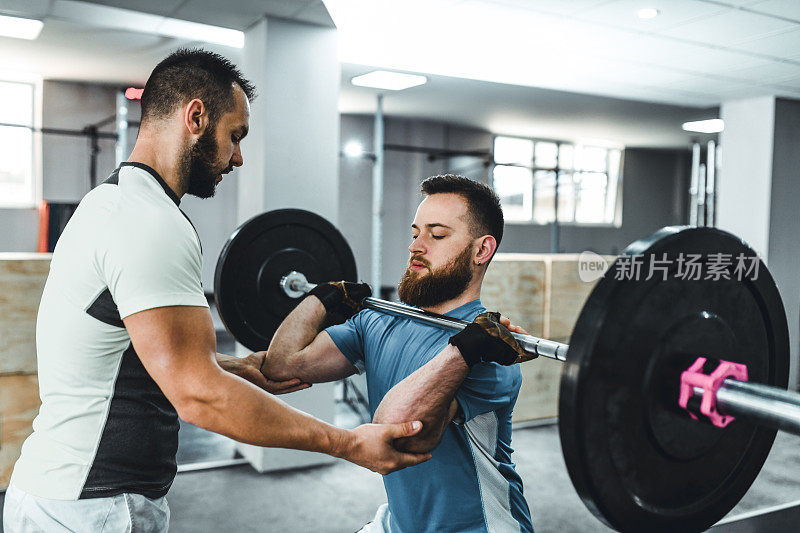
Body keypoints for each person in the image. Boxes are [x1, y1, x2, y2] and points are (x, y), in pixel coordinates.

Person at [3, 48, 429, 533]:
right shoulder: (150, 224)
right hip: (93, 506)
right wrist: (347, 443)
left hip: (52, 492)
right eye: (236, 136)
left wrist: (233, 366)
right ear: (197, 116)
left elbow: (126, 355)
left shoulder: (109, 202)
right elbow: (199, 398)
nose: (239, 157)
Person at [263, 174, 535, 532]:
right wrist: (321, 299)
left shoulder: (491, 353)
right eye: (415, 233)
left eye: (436, 235)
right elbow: (282, 364)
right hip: (399, 522)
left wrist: (464, 352)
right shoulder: (379, 321)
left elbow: (394, 431)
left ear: (481, 250)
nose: (416, 246)